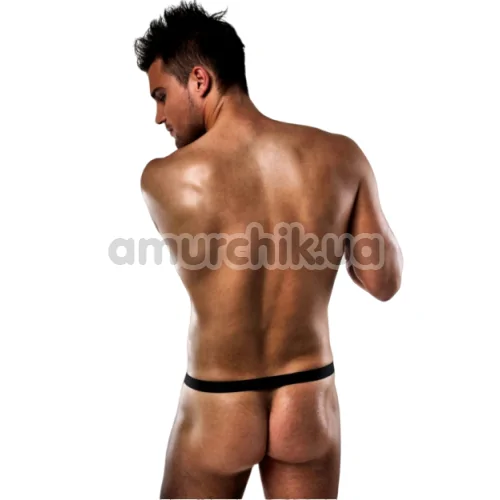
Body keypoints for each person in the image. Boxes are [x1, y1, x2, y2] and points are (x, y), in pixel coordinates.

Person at [134, 1, 403, 498]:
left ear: (199, 80)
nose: (158, 117)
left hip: (219, 404)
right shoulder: (342, 156)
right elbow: (383, 282)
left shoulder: (163, 178)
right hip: (308, 398)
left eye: (161, 95)